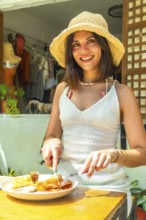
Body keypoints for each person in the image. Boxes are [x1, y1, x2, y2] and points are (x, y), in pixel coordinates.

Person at [41, 11, 146, 216]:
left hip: (109, 191)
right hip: (65, 188)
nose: (84, 50)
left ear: (103, 46)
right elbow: (51, 135)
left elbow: (143, 152)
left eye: (91, 41)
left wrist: (113, 154)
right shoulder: (63, 90)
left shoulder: (121, 93)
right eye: (76, 44)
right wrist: (51, 143)